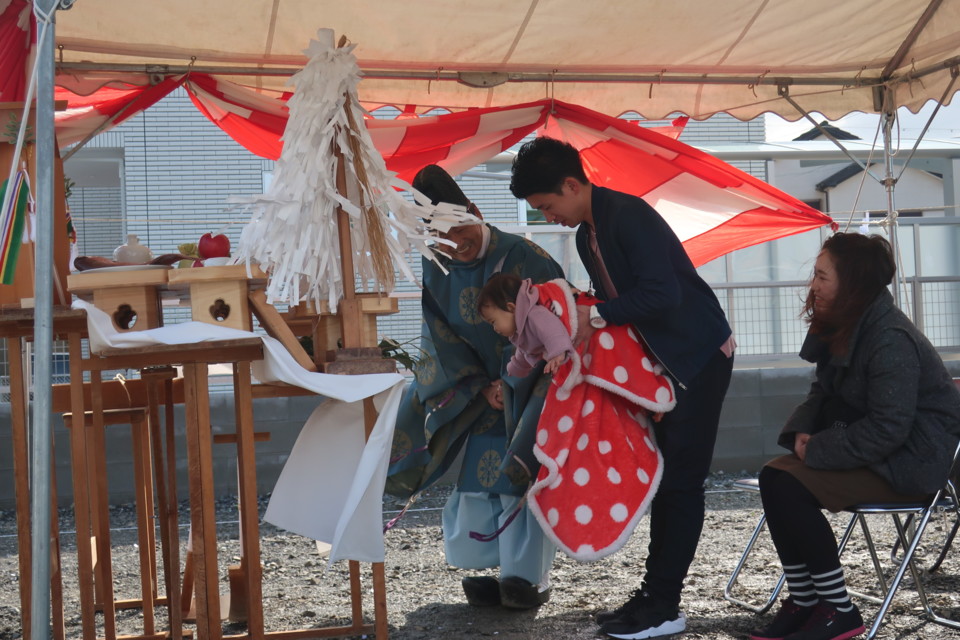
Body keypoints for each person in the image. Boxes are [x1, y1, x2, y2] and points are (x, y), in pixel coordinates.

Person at [510, 137, 735, 639]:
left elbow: (660, 293)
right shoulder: (590, 231)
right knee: (664, 479)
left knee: (679, 482)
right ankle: (655, 595)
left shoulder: (626, 215)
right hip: (664, 365)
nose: (549, 217)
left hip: (696, 357)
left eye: (548, 206)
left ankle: (665, 605)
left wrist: (593, 316)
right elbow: (618, 305)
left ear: (572, 184)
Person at [750, 232, 960, 640]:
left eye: (822, 277)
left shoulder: (889, 338)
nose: (813, 285)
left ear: (853, 284)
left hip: (911, 461)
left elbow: (890, 427)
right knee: (773, 477)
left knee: (790, 487)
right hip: (881, 450)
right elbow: (822, 392)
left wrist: (820, 449)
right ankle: (806, 600)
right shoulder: (847, 324)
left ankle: (837, 609)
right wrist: (803, 431)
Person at [386, 164, 564, 609]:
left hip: (531, 388)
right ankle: (485, 569)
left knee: (521, 477)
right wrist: (480, 386)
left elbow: (558, 320)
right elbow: (438, 335)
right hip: (480, 389)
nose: (454, 245)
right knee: (477, 478)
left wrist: (515, 380)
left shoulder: (527, 257)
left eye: (459, 230)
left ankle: (526, 578)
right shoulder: (438, 264)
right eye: (441, 239)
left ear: (476, 211)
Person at [477, 273, 575, 378]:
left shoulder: (534, 315)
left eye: (493, 322)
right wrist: (516, 368)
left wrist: (558, 353)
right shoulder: (521, 329)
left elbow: (553, 331)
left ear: (511, 308)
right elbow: (525, 351)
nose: (495, 329)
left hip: (572, 342)